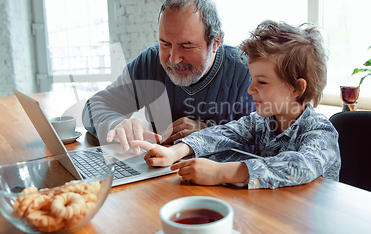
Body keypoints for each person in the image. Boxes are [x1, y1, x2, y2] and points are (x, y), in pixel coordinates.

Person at [131, 20, 341, 189]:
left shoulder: (320, 131)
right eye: (252, 79)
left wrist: (222, 172)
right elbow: (223, 133)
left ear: (296, 88)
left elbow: (300, 166)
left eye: (262, 82)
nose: (250, 89)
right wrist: (176, 152)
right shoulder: (262, 121)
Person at [83, 0, 255, 153]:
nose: (173, 60)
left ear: (216, 42)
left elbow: (266, 144)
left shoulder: (246, 70)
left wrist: (210, 134)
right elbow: (92, 108)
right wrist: (115, 124)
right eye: (165, 44)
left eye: (186, 46)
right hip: (159, 174)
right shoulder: (150, 61)